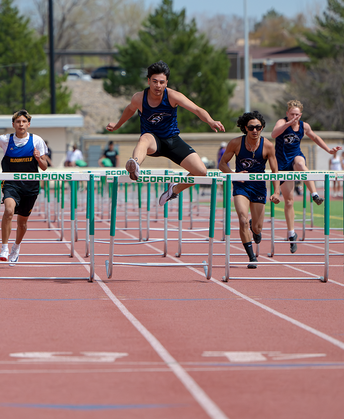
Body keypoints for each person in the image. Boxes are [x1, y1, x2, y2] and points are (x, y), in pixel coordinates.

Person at [106, 60, 225, 204]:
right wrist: (118, 125)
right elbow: (129, 110)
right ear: (148, 81)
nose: (158, 85)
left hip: (172, 141)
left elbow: (197, 109)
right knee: (144, 138)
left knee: (201, 172)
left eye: (162, 82)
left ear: (166, 83)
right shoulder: (139, 98)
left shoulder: (173, 96)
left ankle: (174, 190)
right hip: (153, 141)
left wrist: (210, 121)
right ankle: (135, 165)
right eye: (155, 81)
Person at [271, 100, 341, 252]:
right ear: (287, 113)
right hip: (282, 164)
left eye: (297, 115)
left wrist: (329, 150)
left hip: (296, 157)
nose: (294, 117)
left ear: (300, 115)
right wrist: (288, 123)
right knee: (289, 201)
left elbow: (315, 138)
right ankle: (291, 234)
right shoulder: (282, 122)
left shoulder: (304, 126)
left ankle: (315, 195)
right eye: (292, 114)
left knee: (301, 164)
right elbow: (273, 134)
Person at [219, 111, 281, 268]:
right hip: (241, 186)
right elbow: (222, 164)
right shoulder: (235, 143)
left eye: (258, 127)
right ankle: (252, 257)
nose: (255, 130)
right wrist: (234, 175)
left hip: (259, 188)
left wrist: (276, 192)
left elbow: (275, 172)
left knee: (257, 228)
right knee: (242, 219)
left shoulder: (268, 145)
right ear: (245, 128)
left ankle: (255, 227)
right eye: (251, 127)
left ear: (262, 128)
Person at [0, 110, 48, 264]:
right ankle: (4, 247)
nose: (21, 124)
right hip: (11, 184)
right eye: (18, 122)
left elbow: (45, 167)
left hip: (30, 186)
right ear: (13, 124)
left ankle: (16, 246)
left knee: (22, 223)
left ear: (28, 124)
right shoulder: (6, 139)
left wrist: (38, 158)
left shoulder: (37, 140)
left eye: (24, 122)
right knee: (8, 211)